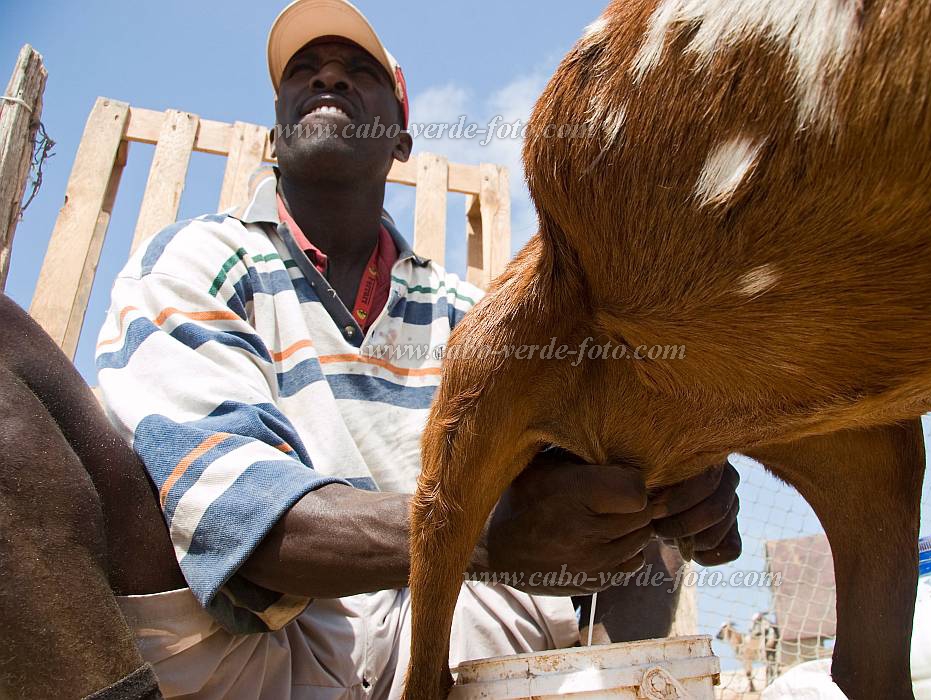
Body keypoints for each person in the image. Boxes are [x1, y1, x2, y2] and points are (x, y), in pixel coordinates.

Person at [0, 1, 742, 698]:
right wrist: (484, 532)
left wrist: (678, 483)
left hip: (467, 640)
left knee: (635, 453)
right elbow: (232, 517)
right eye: (304, 71)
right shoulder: (198, 261)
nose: (326, 77)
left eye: (358, 72)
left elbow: (600, 477)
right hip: (256, 646)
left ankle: (614, 684)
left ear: (402, 136)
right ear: (274, 133)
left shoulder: (471, 317)